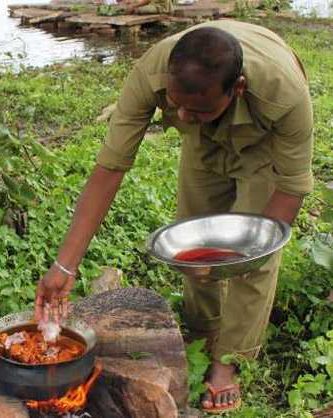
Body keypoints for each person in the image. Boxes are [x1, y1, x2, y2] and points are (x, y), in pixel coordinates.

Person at [35, 20, 312, 414]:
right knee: (194, 238)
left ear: (237, 89)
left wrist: (253, 254)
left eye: (193, 108)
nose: (179, 113)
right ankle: (204, 329)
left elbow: (290, 190)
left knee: (253, 252)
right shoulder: (151, 75)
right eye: (175, 103)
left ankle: (228, 361)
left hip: (263, 141)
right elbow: (109, 170)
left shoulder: (284, 95)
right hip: (205, 134)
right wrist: (65, 266)